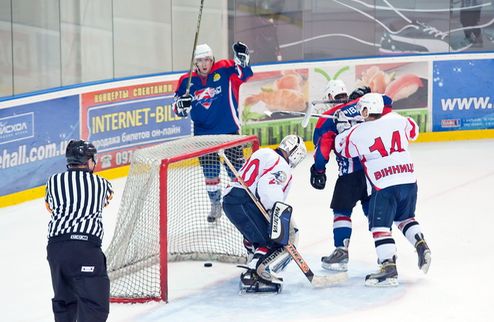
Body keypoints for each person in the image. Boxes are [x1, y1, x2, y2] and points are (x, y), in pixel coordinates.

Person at [334, 93, 432, 287]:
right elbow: (414, 130)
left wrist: (343, 126)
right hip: (408, 180)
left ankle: (388, 267)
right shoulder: (397, 120)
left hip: (384, 184)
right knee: (405, 219)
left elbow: (342, 149)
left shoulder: (358, 132)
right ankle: (421, 243)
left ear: (367, 110)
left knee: (380, 227)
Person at [173, 42, 254, 223]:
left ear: (212, 60)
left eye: (207, 60)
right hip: (204, 135)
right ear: (195, 62)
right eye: (200, 60)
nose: (204, 64)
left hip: (228, 131)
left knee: (237, 172)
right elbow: (177, 110)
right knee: (210, 173)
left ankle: (244, 202)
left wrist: (242, 60)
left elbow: (245, 74)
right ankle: (215, 203)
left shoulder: (224, 69)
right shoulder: (186, 81)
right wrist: (181, 106)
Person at [222, 135, 307, 293]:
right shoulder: (282, 166)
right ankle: (253, 275)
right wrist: (275, 214)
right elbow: (267, 187)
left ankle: (252, 256)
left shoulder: (264, 153)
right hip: (244, 201)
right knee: (273, 240)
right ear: (296, 153)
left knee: (255, 234)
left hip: (229, 200)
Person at [45, 140, 114, 321]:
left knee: (64, 302)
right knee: (94, 303)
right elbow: (106, 201)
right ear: (88, 160)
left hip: (56, 250)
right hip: (84, 249)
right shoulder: (102, 184)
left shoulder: (53, 181)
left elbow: (50, 207)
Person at [310, 81, 373, 271]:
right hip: (373, 172)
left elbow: (322, 149)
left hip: (349, 175)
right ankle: (387, 253)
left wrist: (318, 170)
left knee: (342, 211)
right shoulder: (364, 107)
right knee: (374, 212)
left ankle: (341, 251)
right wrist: (367, 95)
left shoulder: (328, 117)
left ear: (329, 97)